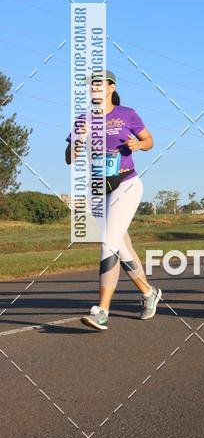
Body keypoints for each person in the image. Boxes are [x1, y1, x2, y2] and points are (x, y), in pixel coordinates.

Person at [66, 71, 160, 331]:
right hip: (99, 189)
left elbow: (149, 141)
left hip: (126, 183)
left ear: (111, 88)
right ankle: (149, 292)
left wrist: (138, 145)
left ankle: (102, 311)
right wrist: (78, 140)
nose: (94, 88)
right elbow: (69, 158)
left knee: (108, 243)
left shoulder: (127, 114)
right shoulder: (83, 119)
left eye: (99, 84)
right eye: (91, 85)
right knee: (121, 247)